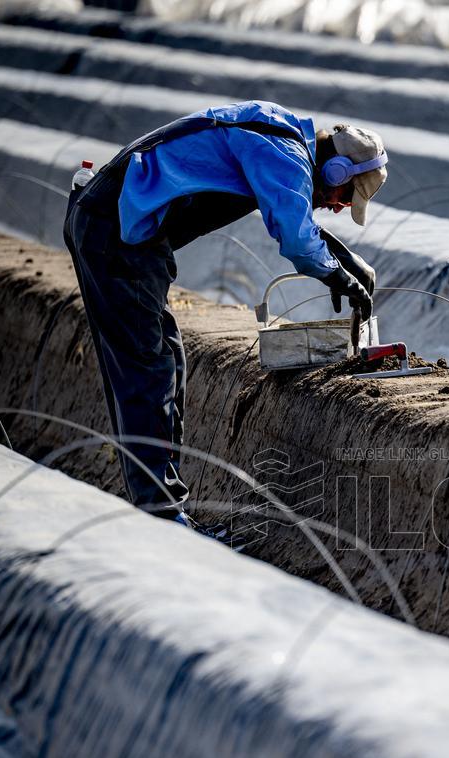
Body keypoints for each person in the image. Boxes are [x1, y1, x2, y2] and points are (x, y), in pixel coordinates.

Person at [63, 99, 387, 529]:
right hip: (115, 233)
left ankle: (162, 509)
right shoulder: (283, 152)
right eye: (345, 196)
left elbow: (288, 207)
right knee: (148, 370)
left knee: (165, 359)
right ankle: (162, 516)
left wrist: (347, 258)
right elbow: (295, 236)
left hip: (119, 229)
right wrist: (339, 277)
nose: (340, 206)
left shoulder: (282, 132)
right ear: (335, 172)